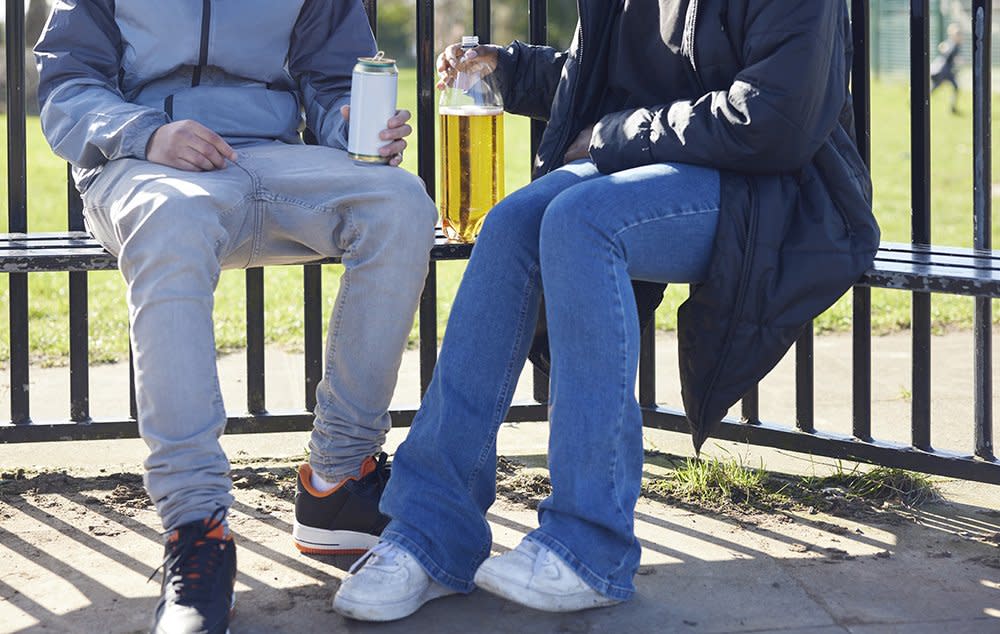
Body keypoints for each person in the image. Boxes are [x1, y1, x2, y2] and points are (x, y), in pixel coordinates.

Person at [332, 0, 880, 622]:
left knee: (582, 220)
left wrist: (613, 135)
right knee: (512, 223)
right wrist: (509, 68)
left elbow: (774, 117)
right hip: (664, 161)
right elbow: (624, 77)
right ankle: (429, 534)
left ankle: (590, 544)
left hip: (776, 191)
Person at [34, 1, 437, 632]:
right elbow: (66, 86)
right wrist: (145, 133)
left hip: (274, 158)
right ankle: (198, 529)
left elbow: (330, 82)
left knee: (400, 203)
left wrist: (349, 123)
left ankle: (337, 478)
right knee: (172, 218)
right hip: (143, 163)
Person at [930, 23, 962, 114]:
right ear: (952, 35)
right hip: (943, 71)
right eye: (957, 34)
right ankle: (918, 100)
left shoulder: (956, 45)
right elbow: (943, 49)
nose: (960, 36)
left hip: (948, 71)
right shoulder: (951, 43)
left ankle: (953, 108)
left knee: (955, 87)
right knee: (934, 88)